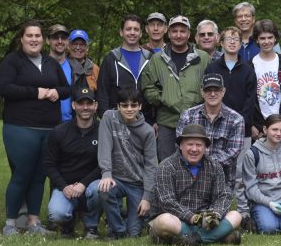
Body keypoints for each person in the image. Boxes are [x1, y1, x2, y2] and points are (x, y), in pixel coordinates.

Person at [0, 20, 70, 236]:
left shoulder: (50, 62)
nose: (34, 39)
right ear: (22, 39)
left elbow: (66, 88)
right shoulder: (13, 61)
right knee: (23, 173)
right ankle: (10, 223)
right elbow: (3, 88)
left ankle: (33, 223)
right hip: (20, 127)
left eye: (37, 36)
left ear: (43, 40)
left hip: (49, 129)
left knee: (40, 175)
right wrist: (35, 92)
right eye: (30, 35)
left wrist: (57, 92)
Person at [148, 124, 243, 246]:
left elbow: (223, 195)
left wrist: (215, 215)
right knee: (164, 221)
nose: (194, 149)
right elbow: (167, 201)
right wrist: (193, 218)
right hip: (176, 220)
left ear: (205, 148)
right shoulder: (166, 166)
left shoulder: (215, 166)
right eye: (190, 144)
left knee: (236, 216)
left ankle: (188, 240)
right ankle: (218, 237)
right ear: (181, 145)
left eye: (199, 145)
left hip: (205, 222)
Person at [140, 15, 210, 159]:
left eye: (182, 31)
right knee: (166, 163)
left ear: (189, 34)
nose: (178, 35)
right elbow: (147, 87)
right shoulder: (157, 59)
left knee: (196, 162)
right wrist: (164, 98)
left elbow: (211, 86)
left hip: (196, 121)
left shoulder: (203, 58)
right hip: (167, 122)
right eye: (174, 31)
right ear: (168, 33)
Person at [98, 87, 158, 239]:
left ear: (140, 106)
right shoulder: (109, 117)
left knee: (134, 234)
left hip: (137, 183)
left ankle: (133, 218)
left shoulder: (148, 131)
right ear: (118, 106)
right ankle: (118, 230)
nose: (129, 109)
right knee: (103, 189)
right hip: (116, 179)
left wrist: (147, 197)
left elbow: (151, 165)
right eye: (124, 105)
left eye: (133, 105)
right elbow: (104, 146)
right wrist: (106, 173)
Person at [43, 87, 102, 238]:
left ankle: (91, 226)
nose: (85, 107)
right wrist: (63, 187)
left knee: (101, 189)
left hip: (91, 185)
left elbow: (105, 163)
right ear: (73, 105)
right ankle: (67, 226)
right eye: (81, 103)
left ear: (95, 106)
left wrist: (83, 184)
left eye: (89, 103)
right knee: (56, 213)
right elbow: (49, 165)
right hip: (66, 187)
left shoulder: (103, 131)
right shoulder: (59, 132)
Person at [176, 73, 246, 190]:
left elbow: (233, 152)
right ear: (202, 92)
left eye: (216, 90)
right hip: (189, 177)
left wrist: (203, 163)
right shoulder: (188, 115)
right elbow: (180, 145)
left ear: (223, 91)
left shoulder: (236, 119)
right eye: (208, 90)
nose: (212, 94)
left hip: (222, 180)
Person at [205, 26, 258, 137]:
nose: (232, 42)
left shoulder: (248, 70)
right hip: (216, 125)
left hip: (242, 127)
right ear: (222, 43)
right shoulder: (212, 68)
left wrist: (241, 122)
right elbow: (208, 95)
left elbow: (251, 99)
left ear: (240, 44)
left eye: (236, 39)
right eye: (228, 39)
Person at [97, 15, 152, 117]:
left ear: (140, 33)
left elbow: (156, 89)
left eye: (136, 29)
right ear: (121, 32)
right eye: (128, 29)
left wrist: (155, 120)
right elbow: (102, 91)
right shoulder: (111, 58)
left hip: (145, 120)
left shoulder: (149, 58)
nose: (132, 32)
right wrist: (105, 117)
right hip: (117, 120)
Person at [47, 24, 75, 122]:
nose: (60, 41)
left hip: (70, 124)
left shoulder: (75, 67)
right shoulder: (40, 65)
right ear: (48, 41)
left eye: (63, 38)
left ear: (67, 41)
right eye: (55, 38)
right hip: (46, 123)